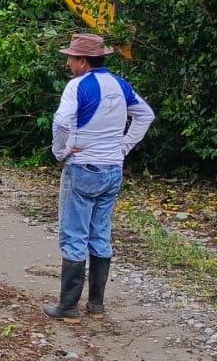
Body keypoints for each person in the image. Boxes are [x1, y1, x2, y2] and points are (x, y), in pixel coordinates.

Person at [41, 33, 156, 323]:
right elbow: (145, 115)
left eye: (71, 58)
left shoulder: (77, 86)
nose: (68, 63)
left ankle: (68, 307)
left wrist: (60, 151)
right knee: (100, 233)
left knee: (74, 235)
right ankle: (96, 305)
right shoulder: (120, 84)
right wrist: (124, 146)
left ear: (83, 61)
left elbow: (61, 121)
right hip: (112, 168)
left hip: (83, 166)